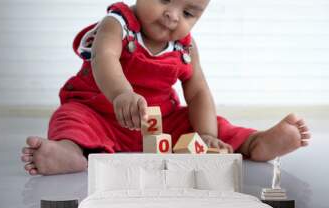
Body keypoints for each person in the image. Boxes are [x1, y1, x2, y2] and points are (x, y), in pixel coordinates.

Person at [21, 0, 311, 176]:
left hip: (158, 123)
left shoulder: (184, 47)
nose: (173, 16)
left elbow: (197, 92)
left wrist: (206, 134)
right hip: (101, 111)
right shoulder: (118, 24)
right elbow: (104, 57)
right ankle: (69, 151)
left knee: (201, 123)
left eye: (188, 13)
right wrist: (121, 94)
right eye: (164, 0)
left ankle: (254, 143)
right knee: (71, 116)